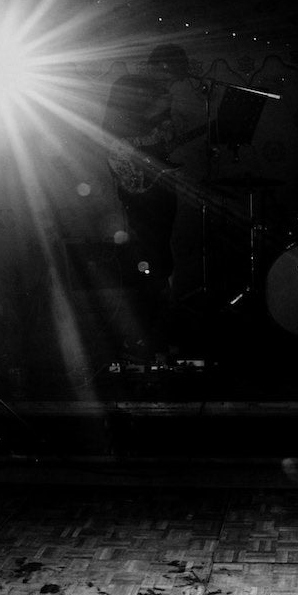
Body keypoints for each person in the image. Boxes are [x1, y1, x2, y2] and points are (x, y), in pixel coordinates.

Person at [101, 43, 196, 360]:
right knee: (147, 255)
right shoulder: (127, 86)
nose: (172, 84)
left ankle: (157, 329)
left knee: (161, 251)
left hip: (156, 180)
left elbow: (156, 141)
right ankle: (145, 334)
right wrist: (155, 117)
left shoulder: (160, 94)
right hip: (138, 183)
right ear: (163, 68)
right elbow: (113, 132)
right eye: (171, 76)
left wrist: (168, 128)